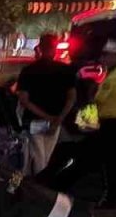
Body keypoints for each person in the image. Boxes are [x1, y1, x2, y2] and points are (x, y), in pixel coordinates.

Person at [15, 33, 77, 174]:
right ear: (55, 49)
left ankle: (39, 189)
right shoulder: (65, 71)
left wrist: (46, 117)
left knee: (38, 157)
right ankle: (43, 187)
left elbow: (24, 100)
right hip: (56, 120)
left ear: (39, 48)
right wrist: (58, 118)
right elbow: (71, 98)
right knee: (46, 157)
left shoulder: (28, 71)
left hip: (34, 121)